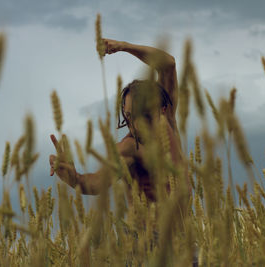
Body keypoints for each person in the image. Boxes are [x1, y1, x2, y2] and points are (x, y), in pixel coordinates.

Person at [49, 38, 183, 202]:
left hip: (189, 227)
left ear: (162, 110)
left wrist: (125, 46)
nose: (135, 125)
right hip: (150, 228)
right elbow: (94, 184)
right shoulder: (130, 148)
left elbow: (168, 64)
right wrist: (73, 177)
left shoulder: (168, 124)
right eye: (129, 116)